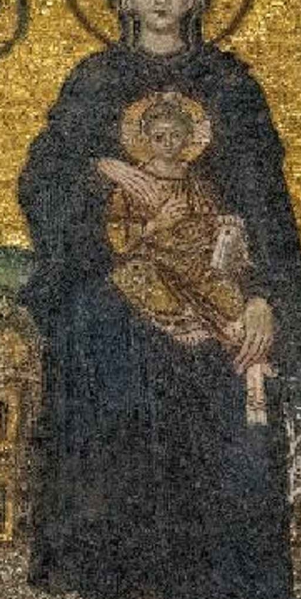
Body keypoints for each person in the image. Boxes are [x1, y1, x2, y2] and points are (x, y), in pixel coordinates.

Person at [17, 0, 301, 599]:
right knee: (99, 337)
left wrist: (265, 297)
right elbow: (42, 180)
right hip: (112, 281)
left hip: (217, 285)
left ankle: (225, 581)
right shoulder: (95, 81)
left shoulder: (230, 86)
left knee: (236, 378)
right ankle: (109, 568)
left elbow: (267, 199)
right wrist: (105, 172)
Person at [100, 91, 273, 425]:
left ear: (189, 138)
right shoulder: (133, 185)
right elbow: (118, 235)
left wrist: (225, 228)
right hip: (154, 260)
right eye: (159, 136)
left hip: (197, 262)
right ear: (146, 139)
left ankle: (255, 384)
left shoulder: (197, 184)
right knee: (147, 285)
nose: (168, 143)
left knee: (233, 304)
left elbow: (209, 221)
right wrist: (156, 223)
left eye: (175, 135)